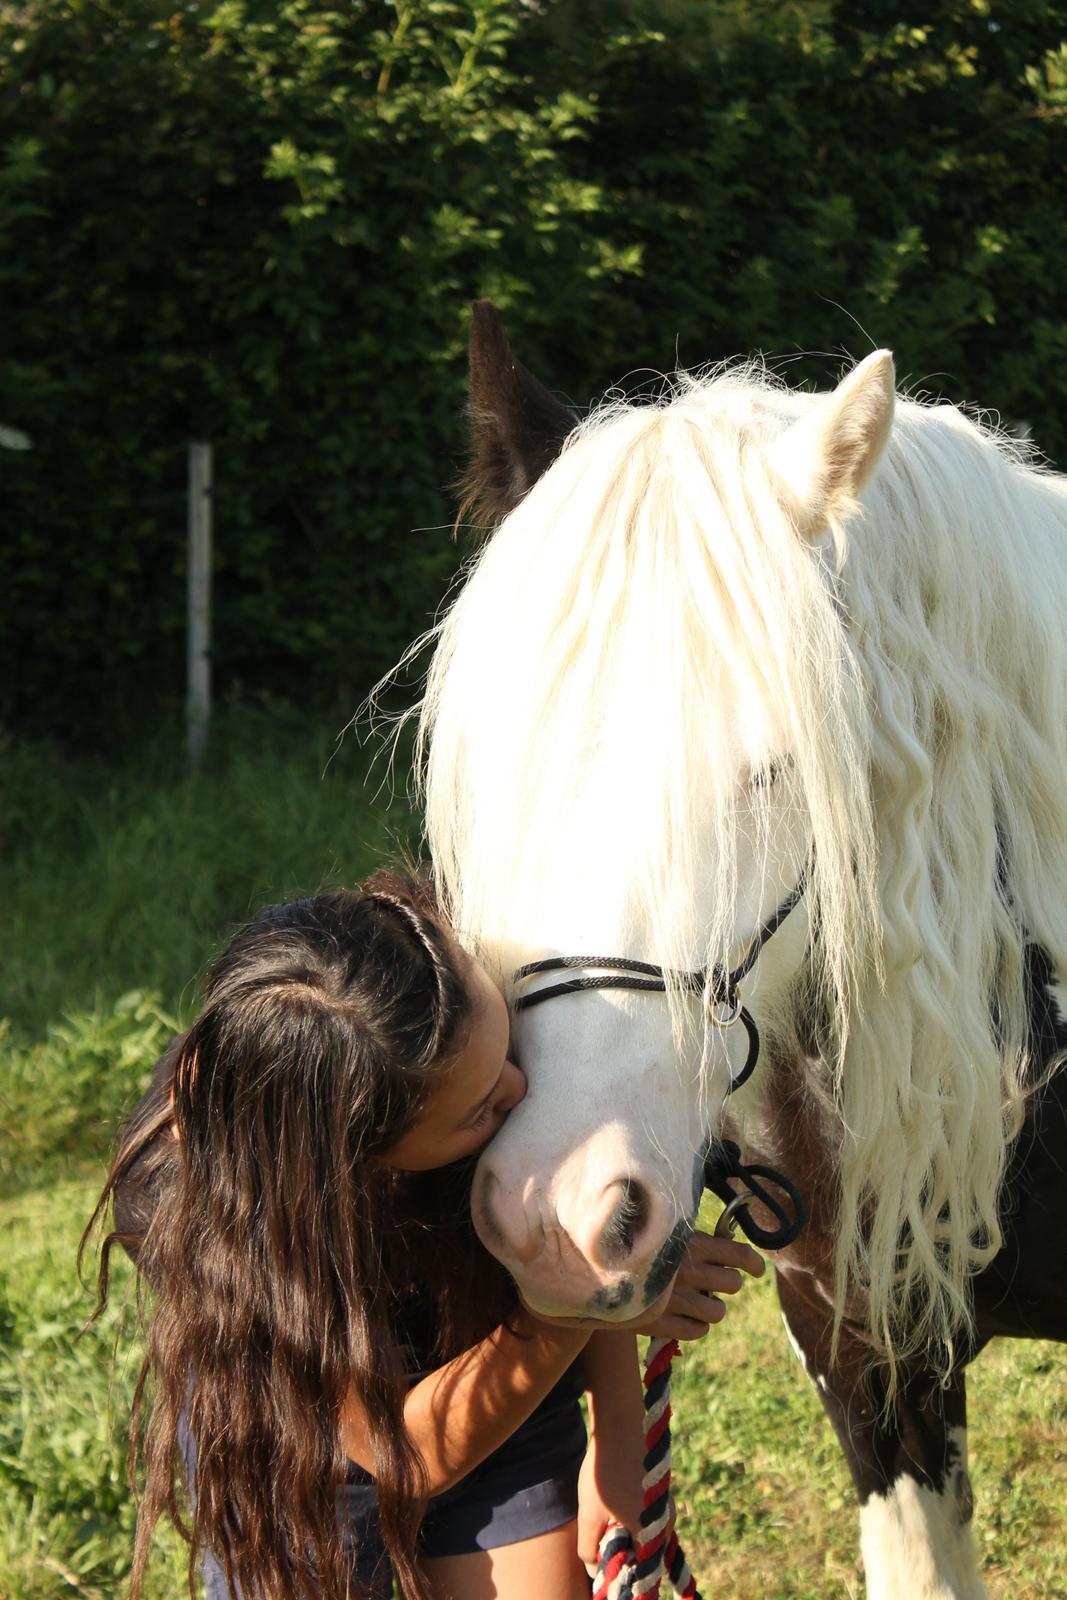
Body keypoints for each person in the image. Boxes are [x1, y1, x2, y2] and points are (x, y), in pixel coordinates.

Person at [84, 871, 763, 1600]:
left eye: (508, 1048)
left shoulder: (443, 1017)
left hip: (498, 1362)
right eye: (478, 1112)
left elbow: (557, 1227)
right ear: (356, 1156)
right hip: (298, 1444)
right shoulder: (191, 1209)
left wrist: (617, 1455)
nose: (519, 1091)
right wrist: (577, 1298)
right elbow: (405, 1454)